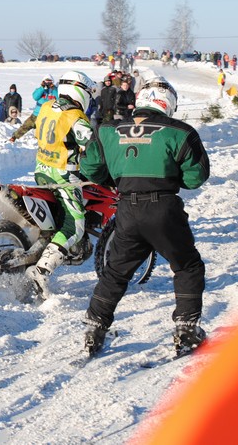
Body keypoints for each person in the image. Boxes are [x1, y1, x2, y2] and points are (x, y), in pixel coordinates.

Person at [81, 76, 210, 357]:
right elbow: (196, 176)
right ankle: (186, 330)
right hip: (164, 207)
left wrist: (115, 177)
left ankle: (95, 327)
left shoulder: (107, 130)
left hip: (127, 208)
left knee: (115, 271)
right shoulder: (181, 132)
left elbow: (90, 168)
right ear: (169, 103)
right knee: (187, 266)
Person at [24, 71, 95, 299]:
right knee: (75, 226)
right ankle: (42, 271)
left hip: (41, 171)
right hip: (64, 176)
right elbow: (93, 148)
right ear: (80, 91)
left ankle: (45, 249)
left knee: (57, 221)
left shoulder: (46, 106)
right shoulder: (76, 116)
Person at [9, 75, 58, 143]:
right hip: (36, 114)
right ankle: (14, 137)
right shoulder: (40, 89)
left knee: (45, 129)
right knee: (26, 125)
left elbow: (58, 98)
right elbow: (35, 97)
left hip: (47, 115)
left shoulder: (55, 90)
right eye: (46, 81)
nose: (48, 83)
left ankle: (42, 141)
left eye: (49, 81)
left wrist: (54, 88)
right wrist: (42, 88)